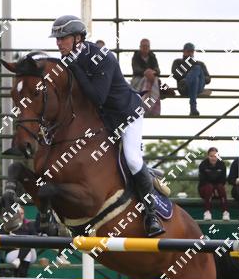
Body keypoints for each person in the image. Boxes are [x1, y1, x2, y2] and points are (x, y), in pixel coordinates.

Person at [50, 14, 164, 237]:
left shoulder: (102, 57)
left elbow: (97, 97)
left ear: (78, 38)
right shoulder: (66, 60)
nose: (58, 43)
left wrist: (76, 69)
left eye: (62, 38)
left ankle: (151, 214)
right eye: (57, 39)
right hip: (103, 119)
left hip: (127, 114)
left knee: (132, 159)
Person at [171, 42, 211, 116]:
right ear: (184, 52)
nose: (190, 53)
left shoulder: (199, 64)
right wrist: (192, 76)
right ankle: (193, 108)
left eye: (191, 51)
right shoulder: (178, 62)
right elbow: (175, 74)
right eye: (188, 51)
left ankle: (187, 81)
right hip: (184, 88)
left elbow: (208, 79)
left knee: (197, 70)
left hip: (195, 86)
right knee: (195, 79)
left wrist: (193, 76)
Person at [130, 38, 161, 116]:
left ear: (149, 47)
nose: (145, 48)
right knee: (148, 81)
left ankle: (149, 108)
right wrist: (146, 72)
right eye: (143, 46)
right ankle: (146, 107)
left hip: (151, 79)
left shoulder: (152, 56)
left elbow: (157, 70)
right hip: (138, 79)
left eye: (147, 46)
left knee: (153, 80)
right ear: (140, 47)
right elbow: (136, 70)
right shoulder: (136, 56)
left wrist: (152, 72)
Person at [198, 147, 230, 221]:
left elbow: (223, 180)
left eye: (215, 156)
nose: (213, 158)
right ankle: (207, 212)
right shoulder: (203, 165)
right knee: (209, 187)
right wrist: (213, 187)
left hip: (217, 190)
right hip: (205, 189)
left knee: (220, 187)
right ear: (208, 156)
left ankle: (225, 212)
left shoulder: (222, 164)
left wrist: (215, 187)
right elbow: (203, 180)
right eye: (211, 156)